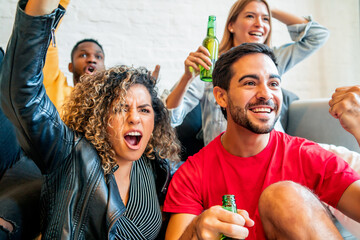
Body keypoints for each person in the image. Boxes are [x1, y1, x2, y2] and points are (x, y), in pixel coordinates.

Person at [0, 0, 180, 239]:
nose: (134, 118)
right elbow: (23, 93)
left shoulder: (156, 166)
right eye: (120, 108)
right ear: (100, 116)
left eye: (145, 110)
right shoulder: (73, 153)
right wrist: (41, 8)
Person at [163, 43, 360, 239]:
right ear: (221, 97)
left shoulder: (307, 156)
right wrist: (196, 228)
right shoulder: (192, 173)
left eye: (273, 84)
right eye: (250, 83)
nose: (266, 94)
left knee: (282, 196)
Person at [165, 0, 329, 146]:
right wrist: (187, 78)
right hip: (229, 159)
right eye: (250, 16)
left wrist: (271, 8)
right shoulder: (211, 67)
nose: (259, 24)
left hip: (275, 153)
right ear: (231, 25)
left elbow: (318, 35)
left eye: (265, 19)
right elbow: (169, 118)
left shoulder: (271, 60)